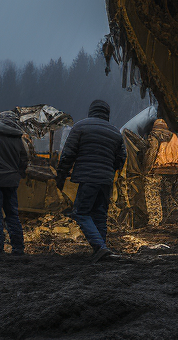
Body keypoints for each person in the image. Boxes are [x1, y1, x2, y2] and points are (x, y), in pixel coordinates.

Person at [56, 99, 125, 262]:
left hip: (88, 177)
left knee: (80, 212)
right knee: (100, 214)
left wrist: (60, 176)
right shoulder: (115, 132)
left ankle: (100, 247)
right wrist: (109, 169)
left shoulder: (80, 126)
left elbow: (68, 154)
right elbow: (121, 158)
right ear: (107, 113)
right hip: (106, 179)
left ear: (91, 111)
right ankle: (101, 250)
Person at [0, 110, 29, 255]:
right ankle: (18, 249)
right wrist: (17, 175)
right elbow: (24, 160)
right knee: (12, 215)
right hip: (11, 182)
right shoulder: (19, 138)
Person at [143, 118, 178, 226]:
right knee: (167, 195)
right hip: (173, 171)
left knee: (153, 195)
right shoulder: (174, 137)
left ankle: (154, 221)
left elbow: (152, 153)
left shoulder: (154, 136)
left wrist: (147, 170)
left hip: (157, 170)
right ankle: (169, 220)